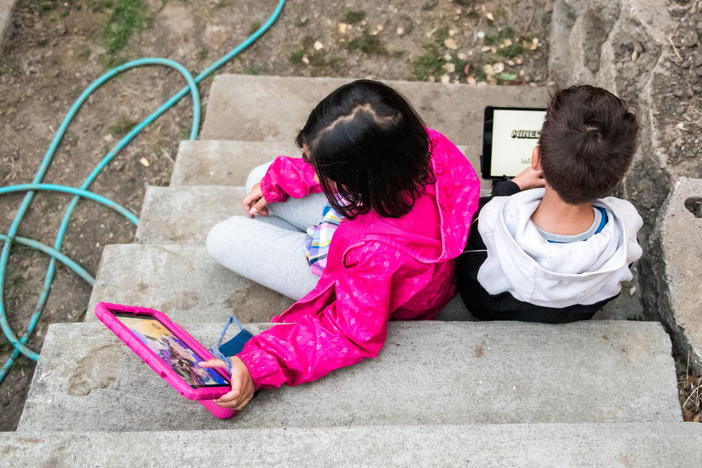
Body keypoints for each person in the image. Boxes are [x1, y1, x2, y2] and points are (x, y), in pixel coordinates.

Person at [202, 79, 480, 410]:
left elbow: (348, 332)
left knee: (221, 238)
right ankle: (286, 223)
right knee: (260, 178)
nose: (311, 167)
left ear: (358, 178)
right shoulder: (424, 146)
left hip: (363, 265)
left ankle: (288, 234)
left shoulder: (377, 254)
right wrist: (288, 178)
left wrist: (258, 363)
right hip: (373, 236)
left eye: (321, 168)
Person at [456, 85, 643, 323]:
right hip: (574, 314)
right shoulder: (624, 240)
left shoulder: (486, 222)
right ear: (619, 175)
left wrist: (508, 189)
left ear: (535, 158)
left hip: (487, 310)